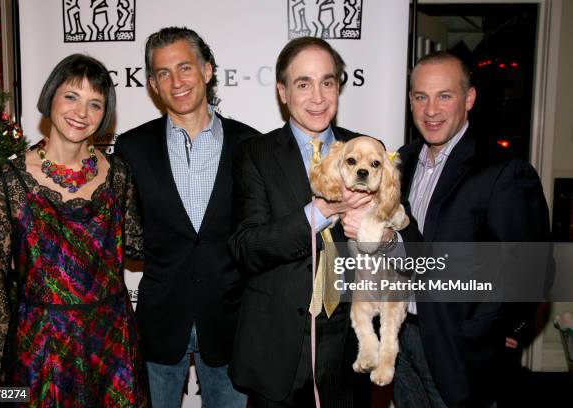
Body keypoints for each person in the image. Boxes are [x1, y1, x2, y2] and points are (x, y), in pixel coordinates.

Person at [0, 54, 146, 407]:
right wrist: (3, 362)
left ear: (105, 114)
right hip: (39, 347)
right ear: (51, 95)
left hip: (111, 343)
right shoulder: (8, 181)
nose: (81, 113)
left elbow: (137, 246)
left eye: (95, 103)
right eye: (72, 96)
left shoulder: (118, 175)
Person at [228, 36, 381, 407]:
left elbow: (405, 244)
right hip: (277, 348)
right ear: (282, 91)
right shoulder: (254, 154)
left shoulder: (367, 150)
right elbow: (247, 248)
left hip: (349, 344)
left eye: (327, 82)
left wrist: (381, 232)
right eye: (303, 83)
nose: (318, 97)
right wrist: (322, 211)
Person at [392, 51, 551, 407]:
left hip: (460, 350)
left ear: (469, 99)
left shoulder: (503, 170)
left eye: (444, 96)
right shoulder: (400, 162)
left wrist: (507, 330)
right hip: (401, 339)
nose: (431, 110)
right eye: (421, 97)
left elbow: (533, 267)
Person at [115, 27, 257, 408]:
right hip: (159, 321)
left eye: (185, 68)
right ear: (152, 84)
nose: (176, 82)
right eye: (163, 73)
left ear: (207, 71)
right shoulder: (131, 148)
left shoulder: (250, 145)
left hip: (230, 323)